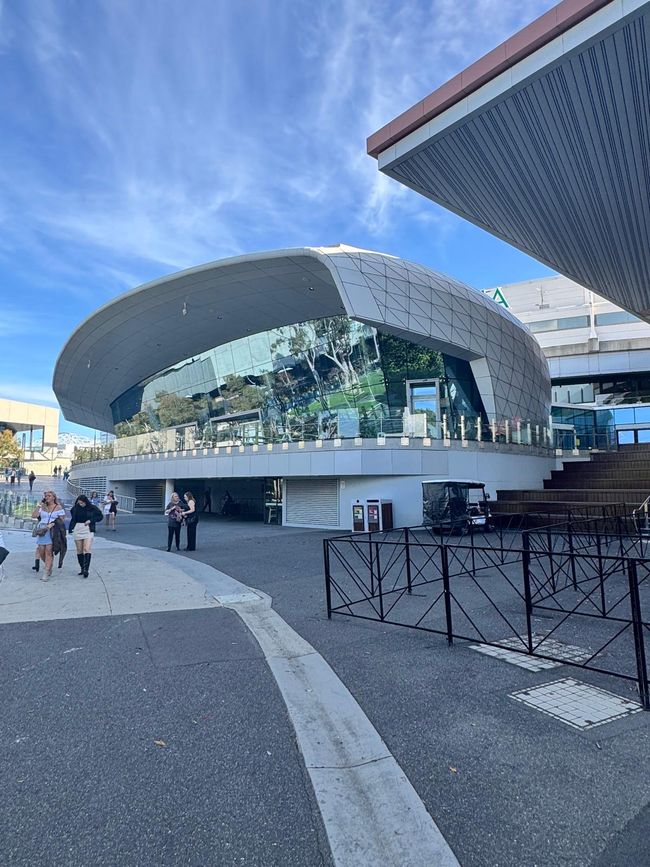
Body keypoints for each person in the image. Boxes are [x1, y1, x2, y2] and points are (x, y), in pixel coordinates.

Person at [31, 491, 66, 580]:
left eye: (49, 496)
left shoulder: (58, 507)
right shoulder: (42, 507)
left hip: (52, 531)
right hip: (42, 530)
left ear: (54, 497)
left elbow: (61, 520)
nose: (47, 497)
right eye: (46, 496)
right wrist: (39, 505)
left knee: (48, 551)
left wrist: (53, 523)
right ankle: (49, 564)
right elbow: (34, 515)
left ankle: (46, 572)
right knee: (41, 551)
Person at [69, 494, 103, 578]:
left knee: (86, 548)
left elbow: (100, 516)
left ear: (85, 502)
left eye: (82, 503)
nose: (80, 504)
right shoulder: (75, 508)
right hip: (78, 528)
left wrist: (91, 520)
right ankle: (82, 568)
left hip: (87, 529)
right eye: (79, 503)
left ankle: (86, 570)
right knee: (79, 550)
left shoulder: (92, 508)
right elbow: (73, 517)